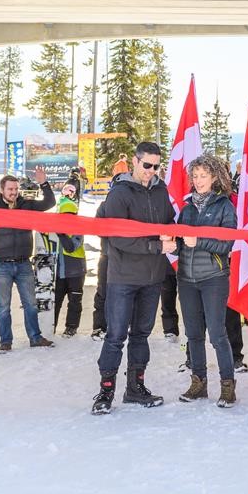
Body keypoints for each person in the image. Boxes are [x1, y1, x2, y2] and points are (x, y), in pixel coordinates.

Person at [91, 142, 174, 415]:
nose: (151, 170)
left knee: (141, 334)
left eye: (156, 166)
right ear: (135, 162)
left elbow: (169, 222)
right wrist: (156, 246)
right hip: (123, 276)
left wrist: (173, 235)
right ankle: (106, 391)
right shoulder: (119, 193)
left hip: (152, 277)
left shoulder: (161, 191)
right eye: (146, 165)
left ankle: (135, 388)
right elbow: (118, 237)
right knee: (115, 335)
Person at [173, 155, 239, 408]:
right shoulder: (187, 208)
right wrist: (171, 243)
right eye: (195, 176)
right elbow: (181, 244)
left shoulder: (224, 206)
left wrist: (198, 241)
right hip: (186, 279)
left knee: (217, 334)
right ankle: (198, 383)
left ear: (214, 177)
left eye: (203, 176)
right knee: (193, 334)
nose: (198, 181)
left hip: (213, 278)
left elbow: (227, 243)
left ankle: (227, 385)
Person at [0, 165, 57, 353]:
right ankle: (5, 341)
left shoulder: (26, 206)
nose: (14, 192)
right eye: (10, 189)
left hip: (23, 263)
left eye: (16, 189)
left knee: (31, 304)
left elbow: (49, 203)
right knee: (3, 307)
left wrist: (43, 183)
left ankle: (35, 337)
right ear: (2, 189)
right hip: (0, 265)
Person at [49, 182, 86, 337]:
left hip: (76, 271)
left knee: (75, 301)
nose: (68, 219)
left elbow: (71, 247)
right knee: (56, 301)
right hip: (59, 272)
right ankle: (51, 327)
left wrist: (61, 233)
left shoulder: (78, 228)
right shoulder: (53, 228)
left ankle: (71, 328)